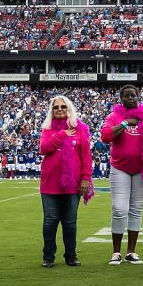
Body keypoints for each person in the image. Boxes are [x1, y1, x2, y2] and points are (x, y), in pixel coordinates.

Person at [100, 85, 143, 265]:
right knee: (119, 209)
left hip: (142, 169)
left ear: (138, 97)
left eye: (133, 95)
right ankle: (116, 252)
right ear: (121, 99)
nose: (130, 98)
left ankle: (131, 252)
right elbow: (105, 136)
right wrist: (126, 123)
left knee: (136, 210)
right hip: (120, 168)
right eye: (126, 96)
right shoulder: (114, 117)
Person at [38, 94, 93, 268]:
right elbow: (44, 148)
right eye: (56, 107)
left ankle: (71, 254)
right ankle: (48, 256)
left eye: (63, 107)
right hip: (50, 184)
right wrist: (62, 134)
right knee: (50, 220)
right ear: (51, 111)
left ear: (69, 109)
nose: (60, 109)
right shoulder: (47, 130)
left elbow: (86, 157)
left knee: (70, 221)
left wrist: (85, 179)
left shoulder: (80, 129)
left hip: (73, 184)